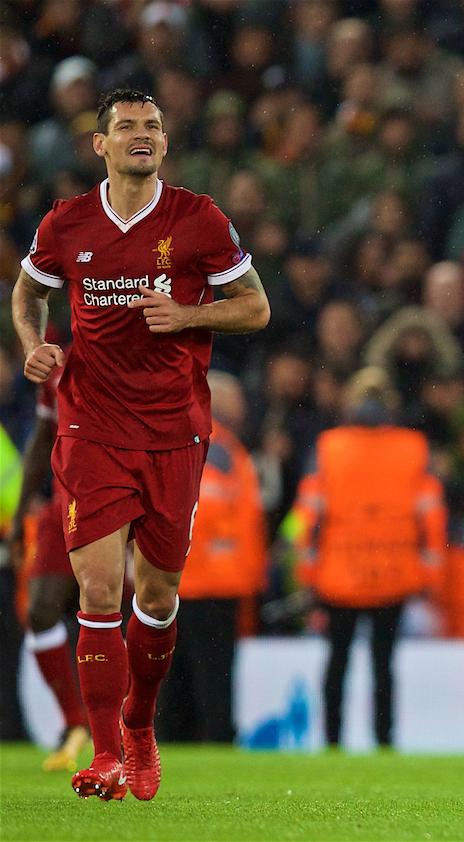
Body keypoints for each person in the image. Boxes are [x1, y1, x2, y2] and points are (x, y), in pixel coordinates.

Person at [11, 89, 270, 801]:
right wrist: (35, 347)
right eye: (126, 127)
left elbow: (256, 305)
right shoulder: (67, 222)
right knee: (98, 587)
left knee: (156, 598)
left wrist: (187, 312)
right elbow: (27, 293)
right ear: (100, 144)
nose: (141, 135)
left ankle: (139, 727)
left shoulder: (198, 218)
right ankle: (103, 756)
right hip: (90, 424)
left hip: (174, 429)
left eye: (152, 126)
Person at [289, 367, 447, 750]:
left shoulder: (328, 447)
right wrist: (430, 573)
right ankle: (384, 740)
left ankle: (331, 741)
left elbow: (302, 518)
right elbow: (433, 517)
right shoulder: (414, 448)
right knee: (383, 665)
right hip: (394, 574)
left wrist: (303, 569)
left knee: (337, 662)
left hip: (337, 575)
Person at [157, 371, 268, 743]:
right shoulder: (216, 447)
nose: (243, 406)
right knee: (212, 675)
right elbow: (204, 511)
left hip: (188, 579)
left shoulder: (207, 443)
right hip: (210, 581)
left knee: (179, 674)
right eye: (236, 398)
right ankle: (213, 737)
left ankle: (177, 738)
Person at [7, 360, 90, 770]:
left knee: (124, 609)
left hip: (119, 501)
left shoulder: (129, 355)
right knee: (39, 610)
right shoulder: (57, 369)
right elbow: (43, 440)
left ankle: (129, 726)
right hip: (64, 505)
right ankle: (75, 723)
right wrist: (22, 513)